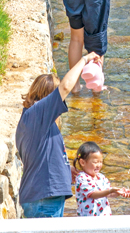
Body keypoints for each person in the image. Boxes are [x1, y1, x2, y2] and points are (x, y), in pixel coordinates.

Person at [16, 54, 101, 218]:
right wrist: (84, 60)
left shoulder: (34, 122)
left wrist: (63, 169)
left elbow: (39, 157)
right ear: (47, 98)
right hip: (44, 200)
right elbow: (65, 87)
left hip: (44, 198)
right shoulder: (38, 114)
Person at [72, 142, 130, 216]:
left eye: (101, 162)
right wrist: (110, 191)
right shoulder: (81, 178)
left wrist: (118, 192)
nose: (99, 165)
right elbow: (93, 194)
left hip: (104, 217)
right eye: (95, 162)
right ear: (82, 162)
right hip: (88, 220)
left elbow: (108, 194)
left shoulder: (101, 177)